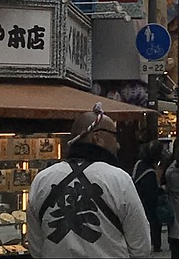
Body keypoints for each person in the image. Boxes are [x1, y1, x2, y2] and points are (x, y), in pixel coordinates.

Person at [27, 103, 151, 257]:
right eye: (114, 135)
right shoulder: (119, 180)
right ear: (97, 138)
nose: (118, 145)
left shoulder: (42, 179)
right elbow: (141, 247)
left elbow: (36, 248)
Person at [133, 140, 166, 254]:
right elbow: (153, 193)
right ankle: (155, 244)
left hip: (137, 198)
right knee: (154, 221)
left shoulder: (138, 165)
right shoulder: (150, 173)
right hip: (148, 203)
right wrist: (162, 189)